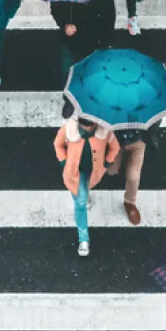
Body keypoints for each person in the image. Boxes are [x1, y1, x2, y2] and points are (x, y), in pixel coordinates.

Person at [53, 104, 120, 256]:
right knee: (80, 202)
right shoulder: (68, 130)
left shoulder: (105, 131)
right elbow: (58, 145)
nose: (89, 128)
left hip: (94, 172)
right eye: (86, 124)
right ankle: (83, 238)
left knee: (85, 189)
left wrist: (107, 162)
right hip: (74, 173)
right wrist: (64, 162)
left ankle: (85, 192)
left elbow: (114, 147)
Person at [50, 0, 116, 83]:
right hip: (70, 41)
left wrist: (106, 41)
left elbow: (109, 14)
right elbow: (55, 8)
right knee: (68, 77)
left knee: (91, 76)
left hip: (92, 39)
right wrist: (64, 24)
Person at [106, 124, 160, 225]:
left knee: (133, 177)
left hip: (138, 141)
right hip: (116, 141)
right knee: (111, 171)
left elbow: (155, 122)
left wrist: (146, 137)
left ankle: (129, 202)